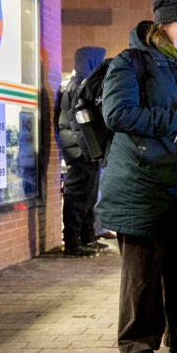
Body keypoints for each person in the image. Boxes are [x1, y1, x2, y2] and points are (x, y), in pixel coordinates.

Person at [96, 0, 177, 353]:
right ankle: (138, 338)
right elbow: (118, 114)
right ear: (163, 24)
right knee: (143, 268)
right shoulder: (130, 62)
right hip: (142, 180)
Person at [57, 46, 109, 257]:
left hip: (85, 150)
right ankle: (72, 241)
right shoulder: (79, 85)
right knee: (78, 196)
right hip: (80, 151)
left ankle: (88, 237)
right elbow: (80, 123)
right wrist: (90, 150)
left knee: (88, 195)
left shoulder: (82, 83)